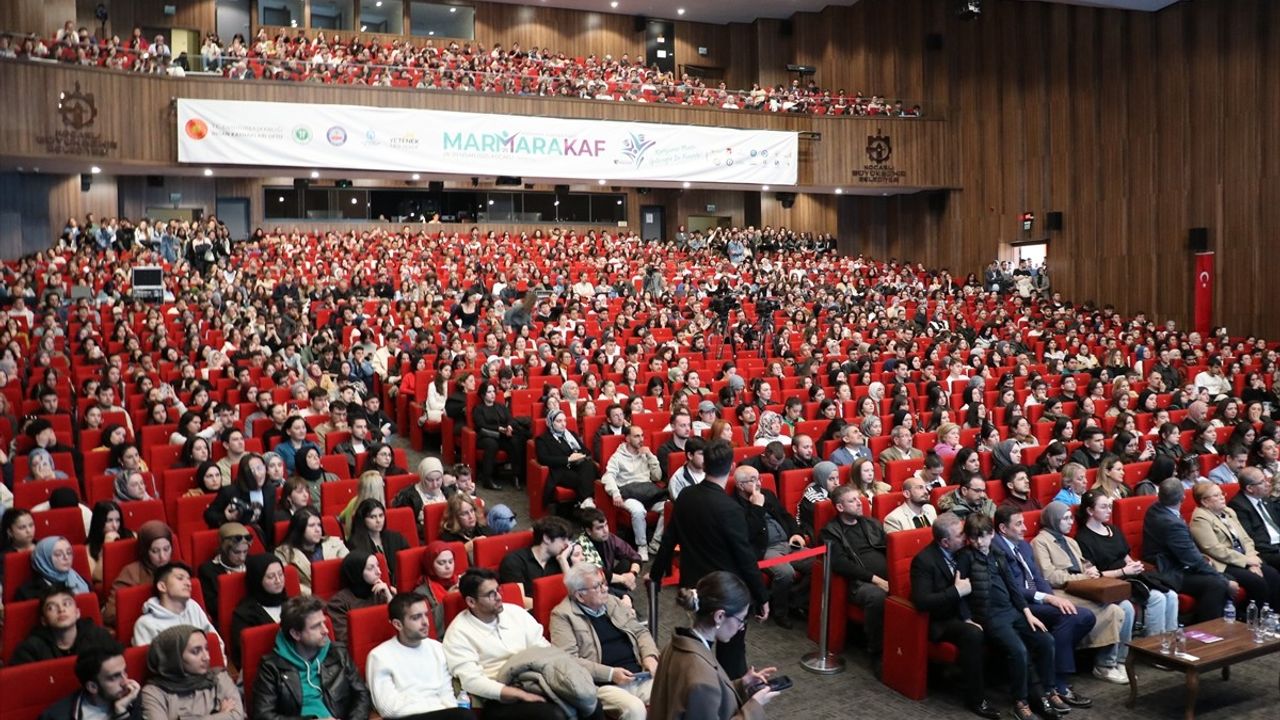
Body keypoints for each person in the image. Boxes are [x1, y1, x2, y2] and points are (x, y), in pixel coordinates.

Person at [651, 439, 768, 680]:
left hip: (694, 584)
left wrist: (655, 574)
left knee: (696, 652)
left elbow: (668, 538)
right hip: (725, 592)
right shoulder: (729, 508)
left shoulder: (685, 496)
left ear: (705, 465)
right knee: (732, 656)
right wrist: (761, 596)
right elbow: (745, 556)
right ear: (732, 468)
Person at [442, 567, 592, 720]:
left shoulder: (515, 612)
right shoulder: (458, 633)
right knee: (553, 714)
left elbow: (543, 649)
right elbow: (472, 681)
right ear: (471, 601)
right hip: (497, 698)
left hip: (535, 680)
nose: (499, 597)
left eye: (498, 590)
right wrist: (519, 694)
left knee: (588, 701)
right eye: (490, 594)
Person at [955, 514, 1064, 720]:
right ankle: (1020, 702)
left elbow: (1013, 588)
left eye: (983, 536)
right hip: (990, 616)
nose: (979, 542)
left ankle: (1049, 691)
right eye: (974, 537)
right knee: (1019, 650)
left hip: (1011, 611)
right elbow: (959, 592)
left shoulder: (998, 554)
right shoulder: (965, 557)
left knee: (1046, 640)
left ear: (992, 534)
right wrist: (967, 619)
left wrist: (1028, 613)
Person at [990, 507, 1097, 708]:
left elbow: (1037, 577)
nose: (1025, 528)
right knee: (1074, 616)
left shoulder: (1023, 546)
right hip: (1018, 606)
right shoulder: (995, 549)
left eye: (1024, 522)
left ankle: (1049, 671)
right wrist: (1047, 599)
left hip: (1037, 600)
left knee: (1085, 617)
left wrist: (1052, 597)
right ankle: (1058, 683)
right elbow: (1011, 588)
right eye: (1019, 524)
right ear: (1003, 528)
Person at [649, 571, 780, 720]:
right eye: (741, 620)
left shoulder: (675, 645)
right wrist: (754, 706)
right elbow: (703, 690)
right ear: (719, 616)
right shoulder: (702, 679)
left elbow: (701, 700)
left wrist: (741, 684)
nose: (741, 627)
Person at [1031, 502, 1134, 684]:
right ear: (1054, 520)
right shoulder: (1040, 542)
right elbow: (1049, 576)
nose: (1071, 522)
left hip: (1082, 587)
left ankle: (1120, 660)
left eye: (1071, 517)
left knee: (1127, 606)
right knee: (1114, 610)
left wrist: (1091, 570)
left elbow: (1083, 563)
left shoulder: (1070, 541)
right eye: (1066, 518)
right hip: (1061, 591)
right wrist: (1083, 577)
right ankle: (1104, 665)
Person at [909, 512, 1000, 719]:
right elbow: (922, 601)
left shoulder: (965, 551)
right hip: (942, 620)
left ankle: (999, 679)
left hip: (968, 611)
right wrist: (956, 591)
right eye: (960, 534)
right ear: (945, 542)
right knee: (973, 634)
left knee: (1001, 620)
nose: (966, 536)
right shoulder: (924, 561)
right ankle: (976, 699)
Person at [550, 564, 659, 720]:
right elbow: (568, 661)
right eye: (597, 586)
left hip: (639, 674)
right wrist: (610, 674)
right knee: (635, 709)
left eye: (604, 583)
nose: (605, 589)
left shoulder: (612, 602)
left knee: (678, 692)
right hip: (603, 685)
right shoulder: (562, 616)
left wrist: (649, 656)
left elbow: (640, 631)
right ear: (580, 595)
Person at [1074, 491, 1179, 639]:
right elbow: (1095, 575)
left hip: (1132, 576)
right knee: (1158, 599)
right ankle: (1155, 646)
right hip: (1112, 582)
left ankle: (1171, 641)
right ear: (1090, 511)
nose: (1109, 511)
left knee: (1172, 595)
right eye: (1103, 507)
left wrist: (1133, 565)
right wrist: (1124, 571)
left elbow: (1125, 555)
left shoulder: (1113, 530)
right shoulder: (1082, 538)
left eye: (1109, 507)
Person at [253, 595, 371, 720]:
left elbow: (361, 694)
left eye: (324, 622)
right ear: (296, 634)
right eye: (316, 626)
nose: (325, 630)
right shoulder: (271, 667)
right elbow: (263, 716)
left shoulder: (338, 653)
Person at [366, 592, 475, 720]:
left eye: (426, 615)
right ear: (397, 624)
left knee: (463, 715)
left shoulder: (437, 648)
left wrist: (445, 710)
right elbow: (388, 709)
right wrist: (437, 707)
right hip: (406, 716)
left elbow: (447, 694)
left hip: (443, 714)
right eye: (416, 617)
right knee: (463, 715)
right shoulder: (379, 656)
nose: (425, 622)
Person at [1143, 478, 1237, 622]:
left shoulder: (1155, 508)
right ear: (1183, 497)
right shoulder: (1171, 523)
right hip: (1169, 570)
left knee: (1228, 577)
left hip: (1175, 561)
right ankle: (1209, 629)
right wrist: (1223, 580)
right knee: (1218, 584)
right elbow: (1192, 559)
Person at [733, 465, 811, 628]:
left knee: (819, 564)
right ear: (740, 485)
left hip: (789, 543)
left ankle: (794, 601)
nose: (759, 483)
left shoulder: (767, 494)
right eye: (753, 480)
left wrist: (796, 534)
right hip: (766, 549)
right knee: (785, 573)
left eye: (758, 478)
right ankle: (780, 612)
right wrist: (757, 507)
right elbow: (747, 534)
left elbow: (785, 516)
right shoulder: (734, 505)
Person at [821, 484, 889, 666]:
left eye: (859, 499)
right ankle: (876, 652)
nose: (859, 503)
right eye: (852, 501)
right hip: (859, 584)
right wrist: (876, 580)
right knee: (877, 597)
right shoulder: (831, 531)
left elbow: (889, 548)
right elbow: (841, 564)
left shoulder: (871, 523)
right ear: (840, 507)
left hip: (887, 577)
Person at [1189, 481, 1280, 608]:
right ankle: (1255, 619)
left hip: (1244, 558)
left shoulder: (1228, 512)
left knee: (1272, 574)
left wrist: (1251, 558)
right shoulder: (1200, 519)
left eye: (1222, 494)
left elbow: (1246, 538)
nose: (1222, 497)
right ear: (1204, 502)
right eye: (1216, 496)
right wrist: (1246, 561)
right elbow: (1214, 549)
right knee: (1257, 582)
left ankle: (1273, 616)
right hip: (1225, 563)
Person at [139, 625, 242, 720]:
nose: (207, 657)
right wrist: (220, 715)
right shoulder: (154, 693)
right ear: (175, 658)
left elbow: (237, 716)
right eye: (196, 651)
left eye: (207, 648)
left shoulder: (219, 676)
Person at [600, 425, 666, 561]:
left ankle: (655, 543)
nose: (641, 439)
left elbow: (657, 477)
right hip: (628, 493)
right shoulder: (618, 457)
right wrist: (615, 493)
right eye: (637, 436)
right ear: (627, 438)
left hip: (647, 493)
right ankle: (642, 546)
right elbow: (608, 476)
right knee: (638, 510)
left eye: (642, 436)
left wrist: (650, 456)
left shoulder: (645, 454)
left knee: (669, 507)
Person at [12, 584, 117, 665]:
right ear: (44, 620)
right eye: (51, 607)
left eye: (66, 604)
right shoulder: (31, 649)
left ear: (77, 613)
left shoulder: (98, 637)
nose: (61, 610)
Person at [39, 645, 143, 720]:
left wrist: (121, 712)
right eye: (115, 677)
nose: (125, 681)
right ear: (92, 687)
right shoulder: (57, 717)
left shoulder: (132, 700)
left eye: (125, 672)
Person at [132, 562, 220, 647]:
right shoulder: (146, 624)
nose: (188, 583)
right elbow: (150, 660)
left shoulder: (193, 606)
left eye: (188, 579)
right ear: (162, 586)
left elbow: (215, 641)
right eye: (180, 578)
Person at [105, 520, 174, 625]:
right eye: (155, 551)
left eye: (166, 549)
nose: (162, 557)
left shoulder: (177, 570)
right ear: (145, 551)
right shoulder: (131, 573)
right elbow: (110, 615)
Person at [229, 554, 288, 668]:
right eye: (271, 577)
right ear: (257, 579)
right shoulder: (244, 614)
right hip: (266, 668)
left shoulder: (292, 604)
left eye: (281, 574)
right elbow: (245, 653)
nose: (278, 580)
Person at [327, 551, 397, 647]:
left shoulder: (382, 592)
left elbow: (402, 625)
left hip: (391, 645)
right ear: (357, 572)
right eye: (371, 568)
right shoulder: (338, 603)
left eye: (378, 566)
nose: (379, 572)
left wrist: (389, 597)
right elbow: (346, 639)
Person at [274, 507, 349, 595]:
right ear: (300, 529)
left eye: (319, 525)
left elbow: (350, 568)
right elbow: (289, 583)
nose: (317, 530)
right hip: (306, 599)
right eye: (311, 525)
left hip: (339, 594)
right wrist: (315, 595)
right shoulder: (283, 553)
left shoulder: (335, 543)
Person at [204, 453, 276, 545]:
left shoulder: (269, 489)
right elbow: (209, 515)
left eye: (260, 468)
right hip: (236, 542)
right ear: (245, 474)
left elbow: (269, 522)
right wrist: (225, 517)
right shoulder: (230, 491)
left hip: (262, 539)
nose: (258, 474)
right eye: (252, 471)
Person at [536, 408, 598, 510]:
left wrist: (577, 455)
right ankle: (587, 501)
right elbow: (543, 459)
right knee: (583, 478)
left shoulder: (571, 434)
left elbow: (586, 451)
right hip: (561, 470)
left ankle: (584, 502)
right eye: (559, 421)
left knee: (588, 465)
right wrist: (568, 459)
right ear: (550, 422)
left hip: (578, 466)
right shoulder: (543, 439)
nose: (563, 424)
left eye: (565, 420)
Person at [499, 515, 574, 599]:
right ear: (547, 539)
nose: (567, 545)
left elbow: (575, 593)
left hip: (559, 609)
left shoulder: (562, 558)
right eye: (563, 539)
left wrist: (563, 561)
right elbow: (519, 599)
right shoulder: (514, 561)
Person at [472, 382, 527, 491]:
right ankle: (487, 479)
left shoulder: (500, 406)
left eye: (493, 391)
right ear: (483, 395)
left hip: (502, 434)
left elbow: (510, 418)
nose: (492, 394)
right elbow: (481, 425)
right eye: (489, 392)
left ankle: (516, 476)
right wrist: (499, 429)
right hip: (486, 436)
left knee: (516, 441)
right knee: (492, 445)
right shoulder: (478, 409)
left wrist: (509, 427)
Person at [346, 498, 411, 584]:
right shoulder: (354, 544)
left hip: (400, 584)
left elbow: (408, 562)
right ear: (362, 519)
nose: (378, 521)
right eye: (372, 517)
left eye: (381, 515)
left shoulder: (396, 537)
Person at [196, 523, 250, 626]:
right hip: (227, 620)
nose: (242, 558)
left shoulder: (252, 563)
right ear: (224, 549)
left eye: (245, 552)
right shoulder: (208, 570)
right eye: (236, 552)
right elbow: (213, 606)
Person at [1228, 467, 1280, 570]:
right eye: (1262, 482)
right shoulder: (1238, 506)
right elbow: (1252, 539)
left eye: (1265, 479)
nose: (1268, 484)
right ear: (1250, 488)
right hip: (1267, 551)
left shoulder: (1264, 498)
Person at [16, 535, 91, 600]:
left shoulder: (81, 581)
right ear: (44, 559)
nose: (66, 557)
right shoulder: (27, 593)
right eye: (58, 554)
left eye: (69, 553)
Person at [393, 457, 449, 541]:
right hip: (423, 538)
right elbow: (407, 525)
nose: (435, 484)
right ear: (422, 477)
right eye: (430, 480)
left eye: (438, 479)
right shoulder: (408, 496)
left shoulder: (448, 492)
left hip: (449, 533)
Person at [414, 541, 462, 636]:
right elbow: (430, 626)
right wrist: (448, 600)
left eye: (451, 561)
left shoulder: (461, 582)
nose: (448, 567)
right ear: (430, 565)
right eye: (441, 563)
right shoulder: (421, 593)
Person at [796, 461, 840, 537]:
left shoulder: (831, 489)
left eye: (837, 478)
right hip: (810, 529)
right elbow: (829, 517)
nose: (836, 482)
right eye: (831, 479)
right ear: (821, 479)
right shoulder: (812, 497)